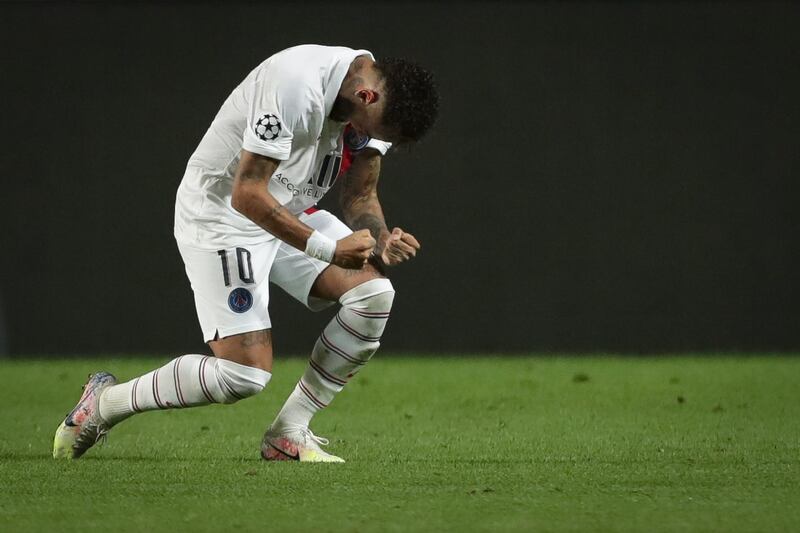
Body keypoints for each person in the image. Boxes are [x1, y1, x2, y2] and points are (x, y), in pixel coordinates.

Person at [53, 44, 439, 462]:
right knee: (243, 375)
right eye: (376, 132)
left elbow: (362, 194)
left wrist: (378, 235)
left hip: (288, 209)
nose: (370, 139)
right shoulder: (295, 85)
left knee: (374, 295)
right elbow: (246, 193)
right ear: (367, 97)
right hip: (222, 217)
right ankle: (104, 403)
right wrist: (329, 248)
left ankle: (288, 433)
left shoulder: (371, 98)